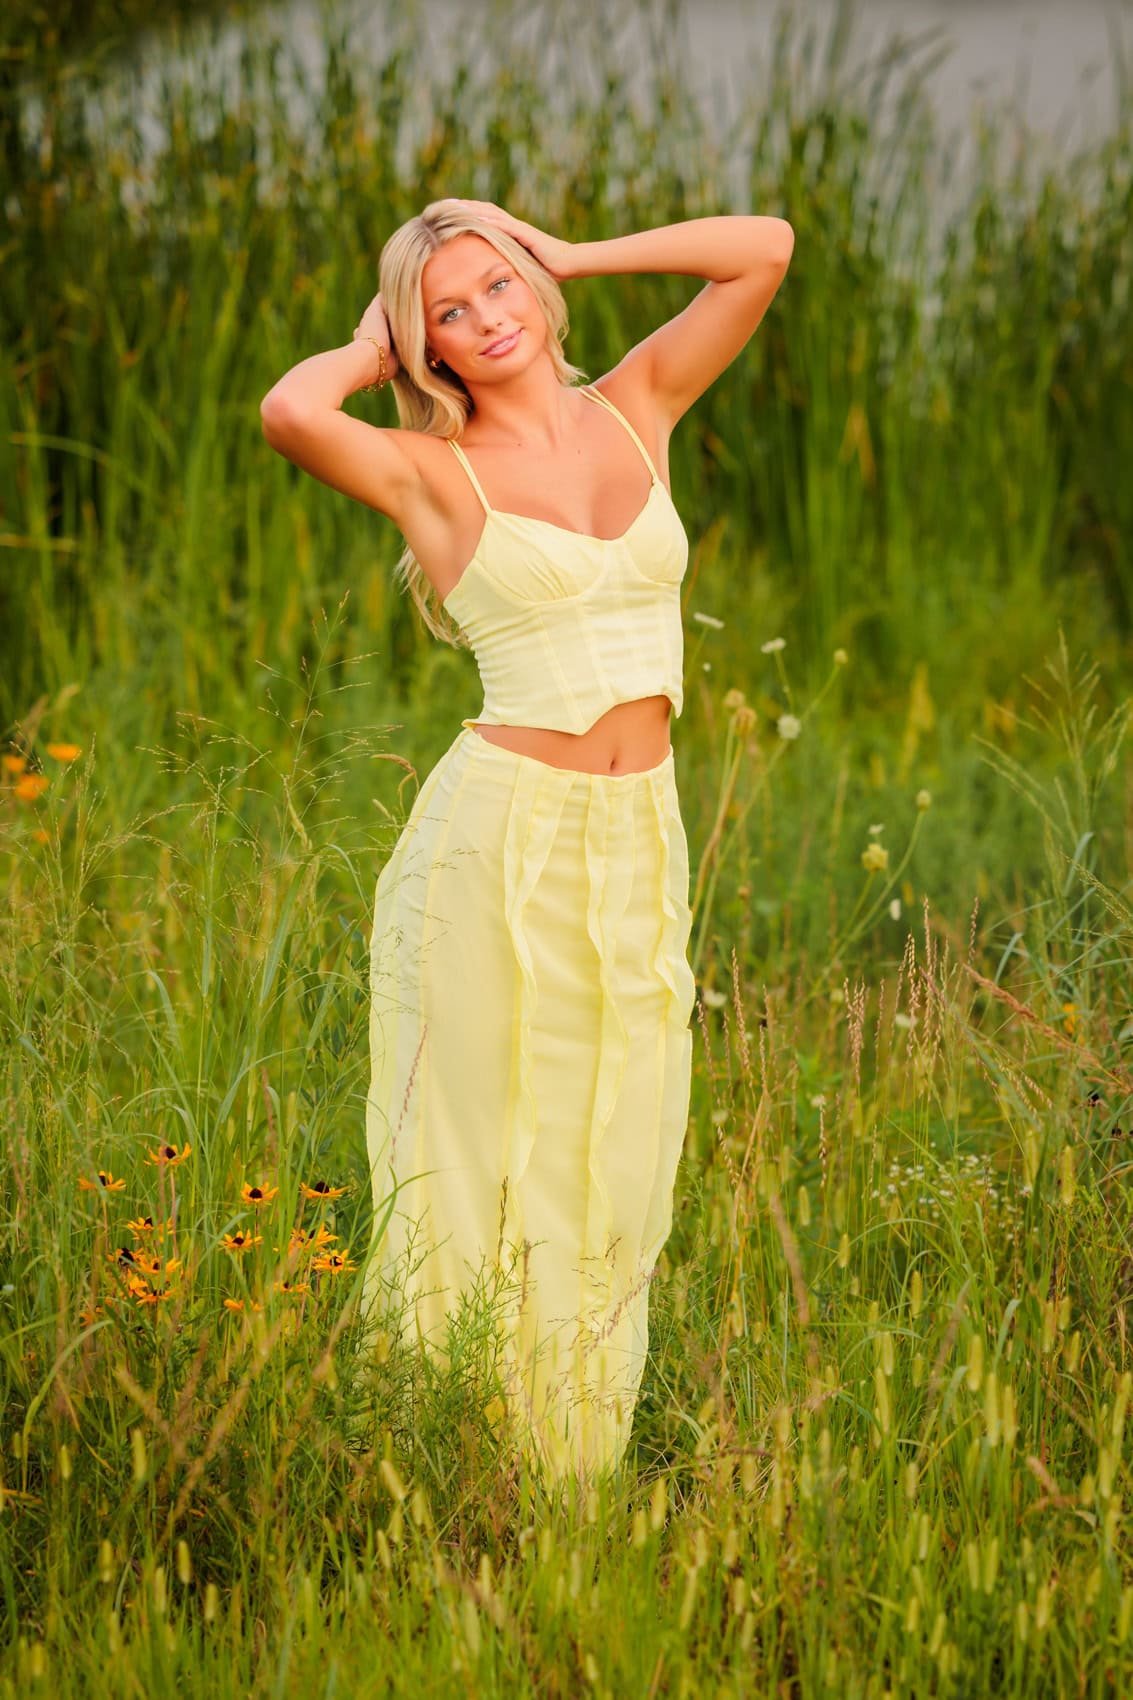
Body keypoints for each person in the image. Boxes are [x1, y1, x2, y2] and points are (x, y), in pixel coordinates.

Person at [260, 197, 794, 1487]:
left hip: (636, 839)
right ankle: (445, 1454)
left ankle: (572, 1463)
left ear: (537, 290)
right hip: (496, 845)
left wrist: (568, 247)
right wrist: (373, 347)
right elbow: (291, 411)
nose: (487, 318)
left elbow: (765, 246)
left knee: (617, 1142)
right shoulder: (432, 474)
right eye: (449, 310)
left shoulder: (640, 404)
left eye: (499, 286)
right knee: (474, 1152)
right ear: (422, 344)